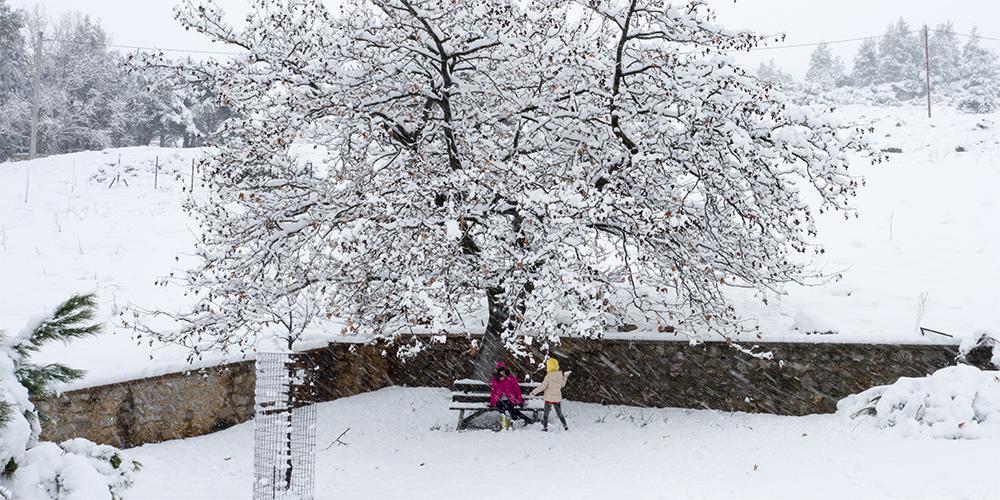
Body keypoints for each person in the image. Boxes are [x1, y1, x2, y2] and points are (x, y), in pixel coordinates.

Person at [489, 361, 533, 428]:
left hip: (510, 399)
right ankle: (504, 421)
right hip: (499, 400)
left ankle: (515, 420)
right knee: (501, 407)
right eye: (500, 371)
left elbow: (517, 390)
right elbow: (493, 392)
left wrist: (519, 400)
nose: (502, 372)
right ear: (497, 371)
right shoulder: (495, 380)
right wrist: (492, 403)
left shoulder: (511, 378)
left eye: (503, 370)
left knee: (510, 407)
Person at [531, 357, 570, 432]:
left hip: (548, 398)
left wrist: (533, 392)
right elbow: (562, 385)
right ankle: (565, 426)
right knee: (559, 413)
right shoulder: (560, 375)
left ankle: (545, 427)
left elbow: (542, 387)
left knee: (546, 414)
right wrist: (565, 377)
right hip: (557, 398)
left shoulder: (548, 376)